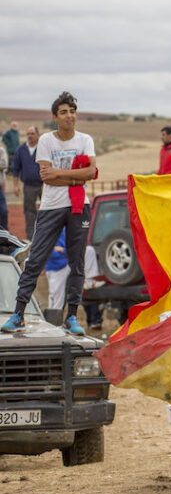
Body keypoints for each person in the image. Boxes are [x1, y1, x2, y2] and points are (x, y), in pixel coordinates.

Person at [2, 92, 98, 335]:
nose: (70, 116)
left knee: (77, 263)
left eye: (72, 111)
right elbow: (46, 176)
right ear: (55, 116)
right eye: (64, 112)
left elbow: (91, 172)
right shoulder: (46, 141)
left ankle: (71, 317)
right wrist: (76, 176)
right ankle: (19, 314)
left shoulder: (85, 139)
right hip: (51, 207)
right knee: (35, 260)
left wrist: (61, 174)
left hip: (78, 206)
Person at [11, 126, 43, 239]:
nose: (30, 136)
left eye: (32, 133)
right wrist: (15, 186)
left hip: (44, 185)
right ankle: (31, 238)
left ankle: (46, 236)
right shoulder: (21, 149)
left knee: (48, 211)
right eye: (28, 133)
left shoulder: (43, 148)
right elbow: (15, 168)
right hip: (28, 186)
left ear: (38, 135)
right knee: (29, 212)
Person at [45, 229, 69, 312]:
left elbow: (74, 248)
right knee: (53, 293)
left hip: (62, 265)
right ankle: (52, 320)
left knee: (57, 295)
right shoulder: (46, 226)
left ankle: (55, 321)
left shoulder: (66, 228)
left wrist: (62, 250)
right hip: (49, 265)